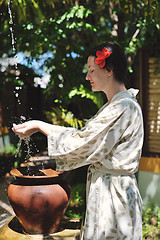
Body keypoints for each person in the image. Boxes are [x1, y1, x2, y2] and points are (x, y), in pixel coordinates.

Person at [12, 42, 144, 240]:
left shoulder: (123, 107)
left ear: (109, 70)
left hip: (114, 196)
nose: (87, 77)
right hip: (110, 189)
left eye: (91, 70)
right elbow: (88, 141)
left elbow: (83, 142)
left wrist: (42, 126)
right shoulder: (117, 105)